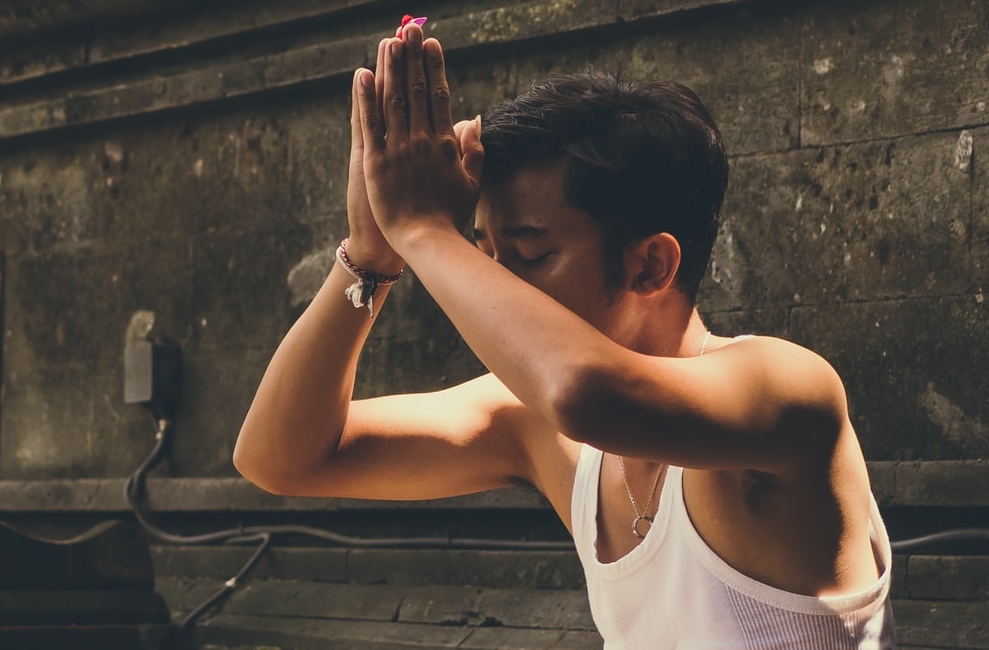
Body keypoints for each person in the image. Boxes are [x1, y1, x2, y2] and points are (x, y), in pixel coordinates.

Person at [233, 23, 892, 648]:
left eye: (531, 253)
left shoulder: (786, 388)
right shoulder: (539, 426)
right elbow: (279, 459)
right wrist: (372, 256)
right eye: (484, 252)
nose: (493, 288)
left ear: (650, 265)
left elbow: (582, 390)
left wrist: (426, 233)